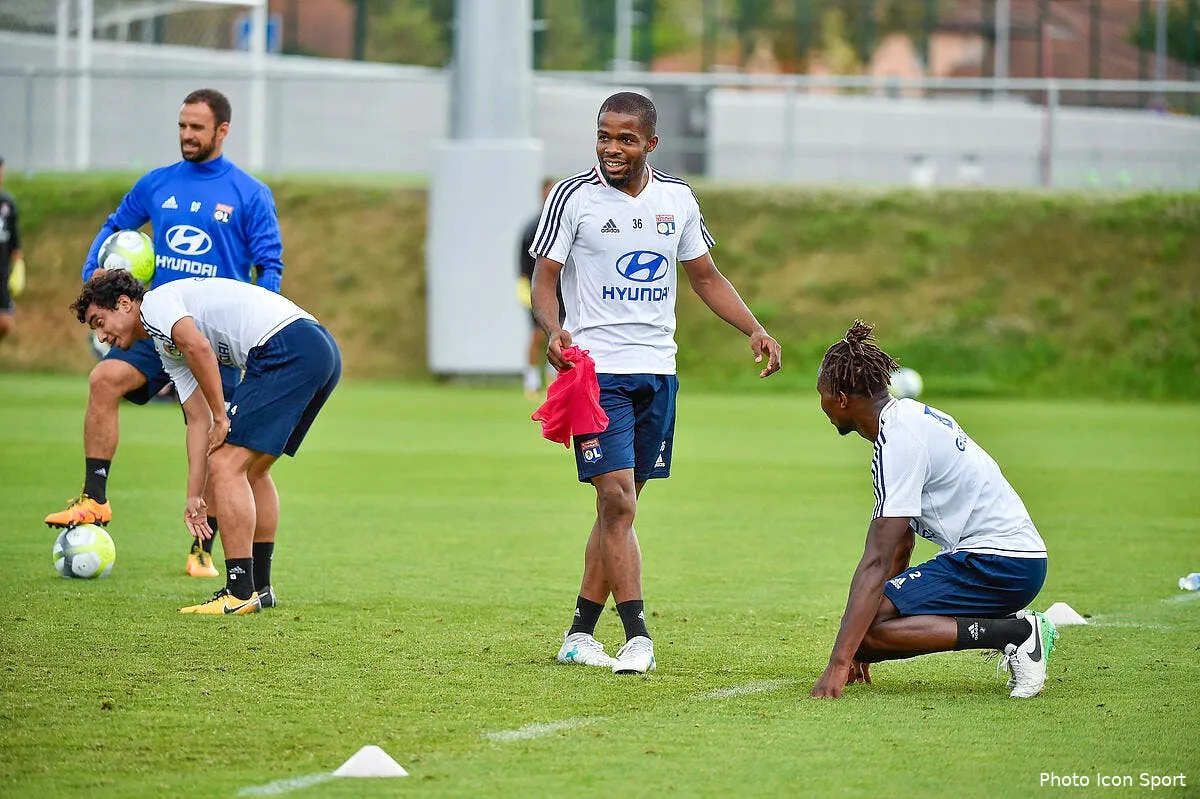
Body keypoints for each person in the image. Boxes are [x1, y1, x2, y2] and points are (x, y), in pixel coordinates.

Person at [529, 91, 782, 675]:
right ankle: (637, 635)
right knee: (616, 500)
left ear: (651, 143)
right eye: (603, 136)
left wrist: (754, 329)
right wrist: (553, 327)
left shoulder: (678, 199)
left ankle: (578, 634)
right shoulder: (572, 197)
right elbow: (545, 277)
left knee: (620, 510)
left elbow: (705, 276)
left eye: (625, 139)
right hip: (596, 372)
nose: (611, 149)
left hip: (658, 372)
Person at [43, 88, 285, 581]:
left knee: (217, 439)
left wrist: (255, 339)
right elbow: (117, 226)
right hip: (156, 329)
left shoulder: (249, 193)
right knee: (103, 379)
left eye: (197, 127)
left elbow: (270, 266)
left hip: (215, 340)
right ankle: (95, 498)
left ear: (222, 131)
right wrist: (95, 273)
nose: (187, 135)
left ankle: (202, 549)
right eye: (181, 126)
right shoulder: (157, 185)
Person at [809, 320, 1056, 700]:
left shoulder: (898, 441)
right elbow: (899, 546)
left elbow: (875, 561)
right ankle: (1011, 631)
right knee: (865, 630)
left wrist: (839, 662)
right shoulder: (906, 419)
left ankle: (1016, 634)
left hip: (997, 563)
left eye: (822, 394)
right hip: (1011, 559)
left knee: (866, 632)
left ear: (841, 398)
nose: (822, 404)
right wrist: (864, 637)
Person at [71, 271, 340, 614]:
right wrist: (194, 495)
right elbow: (197, 421)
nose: (100, 335)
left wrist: (222, 416)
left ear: (124, 304)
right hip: (316, 347)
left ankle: (239, 592)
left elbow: (199, 348)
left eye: (99, 321)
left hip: (287, 347)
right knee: (252, 471)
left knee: (228, 464)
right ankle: (260, 588)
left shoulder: (156, 306)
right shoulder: (164, 344)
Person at [516, 182, 561, 400]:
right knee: (536, 335)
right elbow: (523, 267)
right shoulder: (532, 227)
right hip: (537, 291)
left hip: (563, 291)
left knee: (562, 335)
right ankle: (531, 381)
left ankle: (555, 381)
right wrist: (527, 292)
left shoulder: (565, 224)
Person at [0, 154, 24, 343]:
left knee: (5, 323)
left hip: (2, 274)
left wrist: (19, 270)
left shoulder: (7, 204)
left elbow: (15, 245)